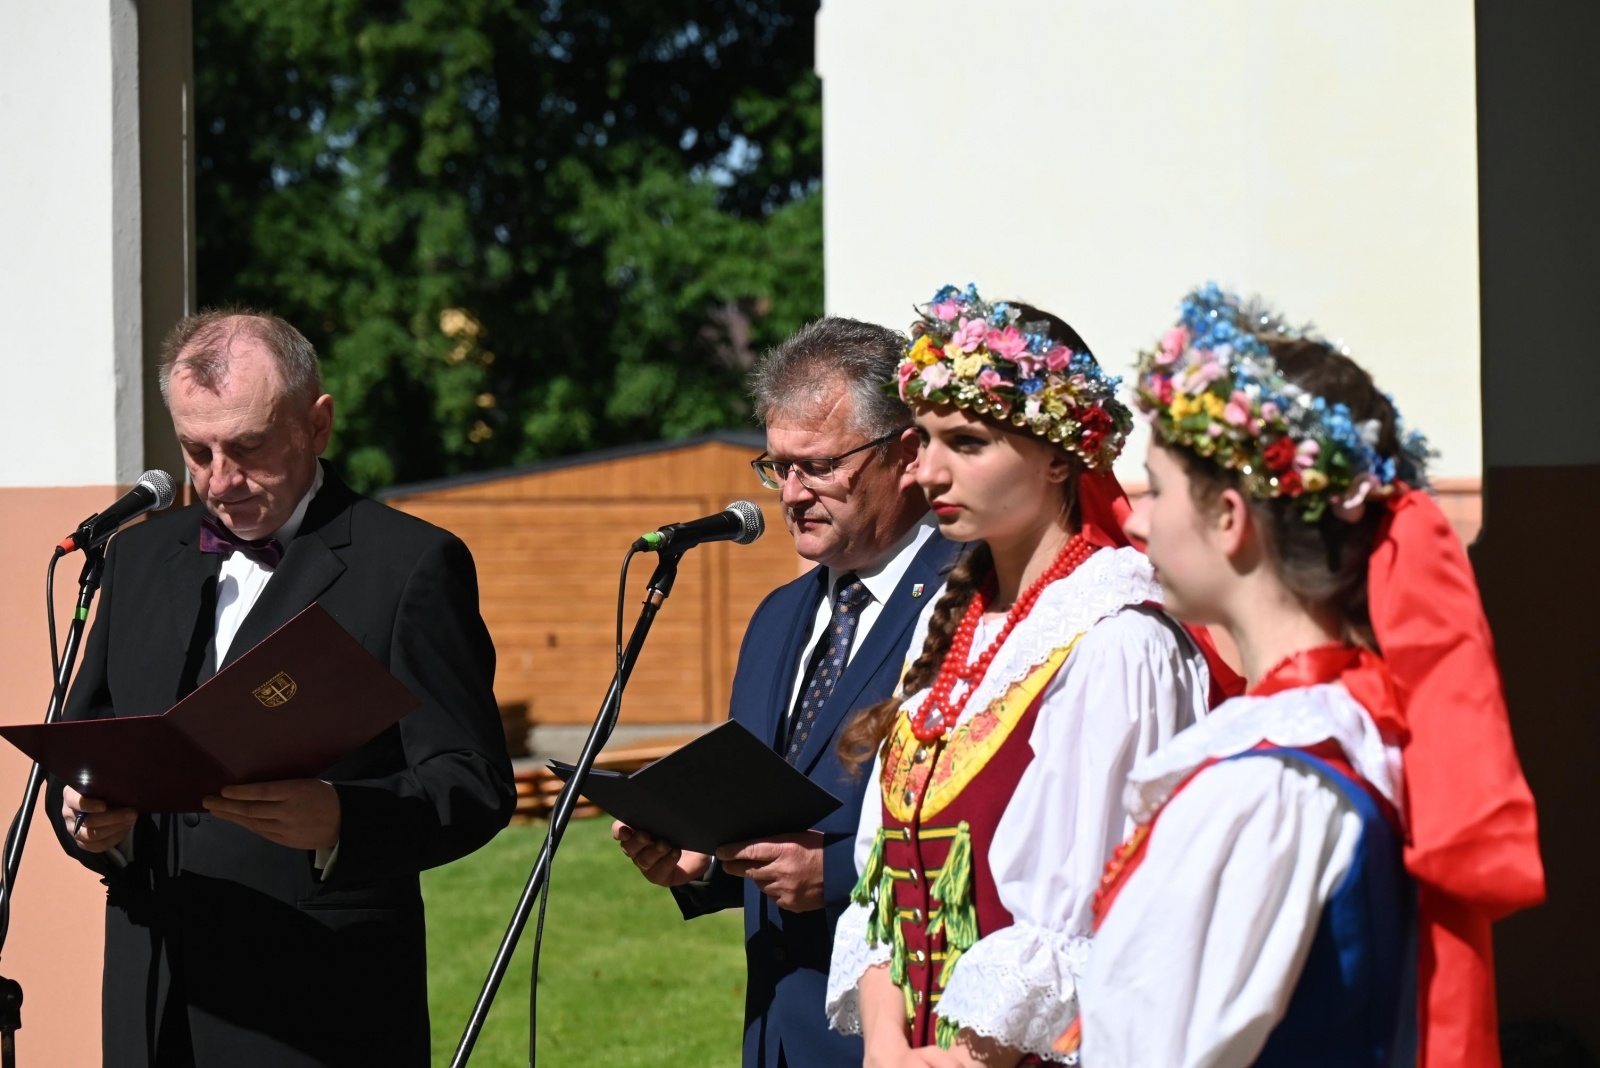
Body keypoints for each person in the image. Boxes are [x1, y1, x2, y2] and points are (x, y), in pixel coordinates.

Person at [1075, 285, 1545, 1066]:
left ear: (1230, 518)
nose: (1134, 517)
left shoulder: (1267, 790)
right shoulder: (1350, 732)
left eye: (1156, 488)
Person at [47, 310, 517, 1067]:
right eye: (197, 451)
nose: (221, 479)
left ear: (318, 423)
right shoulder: (137, 560)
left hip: (319, 1005)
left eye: (248, 447)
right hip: (153, 996)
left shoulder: (408, 566)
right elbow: (84, 744)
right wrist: (91, 821)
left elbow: (474, 783)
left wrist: (341, 819)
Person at [824, 284, 1214, 1067]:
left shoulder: (1115, 640)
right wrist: (887, 1048)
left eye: (966, 443)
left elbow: (1097, 918)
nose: (926, 471)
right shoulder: (953, 617)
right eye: (922, 440)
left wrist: (962, 1060)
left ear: (1060, 458)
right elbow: (881, 883)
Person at [611, 317, 960, 1068]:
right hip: (774, 1032)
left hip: (906, 1037)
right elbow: (764, 813)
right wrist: (700, 864)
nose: (792, 494)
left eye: (820, 466)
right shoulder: (777, 620)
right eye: (777, 468)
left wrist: (831, 874)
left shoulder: (973, 598)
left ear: (905, 454)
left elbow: (990, 833)